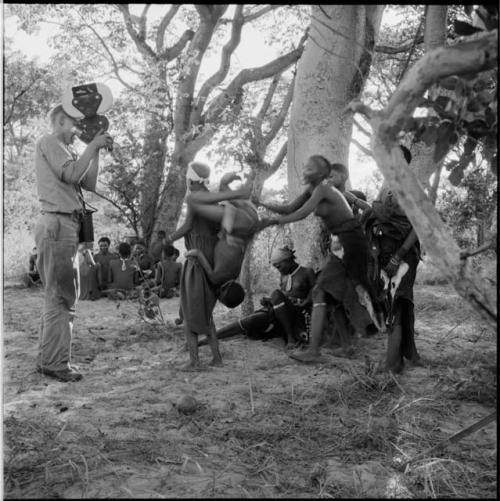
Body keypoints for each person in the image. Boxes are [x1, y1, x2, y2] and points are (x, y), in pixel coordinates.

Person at [259, 155, 382, 363]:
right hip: (340, 242)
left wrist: (271, 222)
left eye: (310, 167)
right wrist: (261, 202)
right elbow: (290, 209)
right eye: (305, 166)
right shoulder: (313, 190)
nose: (305, 170)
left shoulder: (324, 189)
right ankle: (347, 346)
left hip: (349, 242)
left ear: (321, 174)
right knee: (331, 295)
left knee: (320, 291)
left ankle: (314, 351)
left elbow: (301, 214)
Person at [34, 103, 112, 382]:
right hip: (58, 224)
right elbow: (70, 175)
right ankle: (55, 363)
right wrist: (92, 145)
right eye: (74, 124)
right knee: (62, 296)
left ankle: (48, 359)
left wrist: (96, 149)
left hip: (65, 225)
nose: (77, 129)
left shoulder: (69, 150)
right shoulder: (49, 141)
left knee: (57, 295)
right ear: (60, 122)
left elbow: (88, 182)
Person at [166, 162, 251, 369]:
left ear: (190, 180)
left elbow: (187, 226)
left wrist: (167, 240)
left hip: (197, 262)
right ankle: (216, 358)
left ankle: (195, 361)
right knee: (204, 313)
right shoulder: (210, 201)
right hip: (211, 259)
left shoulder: (195, 199)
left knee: (190, 313)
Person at [356, 145, 422, 373]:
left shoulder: (410, 187)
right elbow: (379, 217)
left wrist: (399, 255)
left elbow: (417, 226)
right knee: (393, 303)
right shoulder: (387, 187)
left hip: (401, 255)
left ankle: (392, 365)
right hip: (384, 254)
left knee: (396, 305)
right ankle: (401, 359)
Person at [206, 246, 316, 349]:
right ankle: (209, 338)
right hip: (283, 314)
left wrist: (306, 302)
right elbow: (284, 296)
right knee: (254, 319)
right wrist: (269, 300)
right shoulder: (283, 276)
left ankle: (290, 338)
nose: (279, 270)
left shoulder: (307, 272)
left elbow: (316, 292)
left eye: (279, 266)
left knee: (276, 294)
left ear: (288, 260)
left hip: (299, 313)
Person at [183, 171, 259, 287]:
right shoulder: (215, 279)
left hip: (243, 229)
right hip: (233, 231)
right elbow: (197, 253)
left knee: (226, 197)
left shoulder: (235, 275)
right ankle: (245, 179)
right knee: (202, 204)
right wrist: (188, 253)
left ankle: (247, 177)